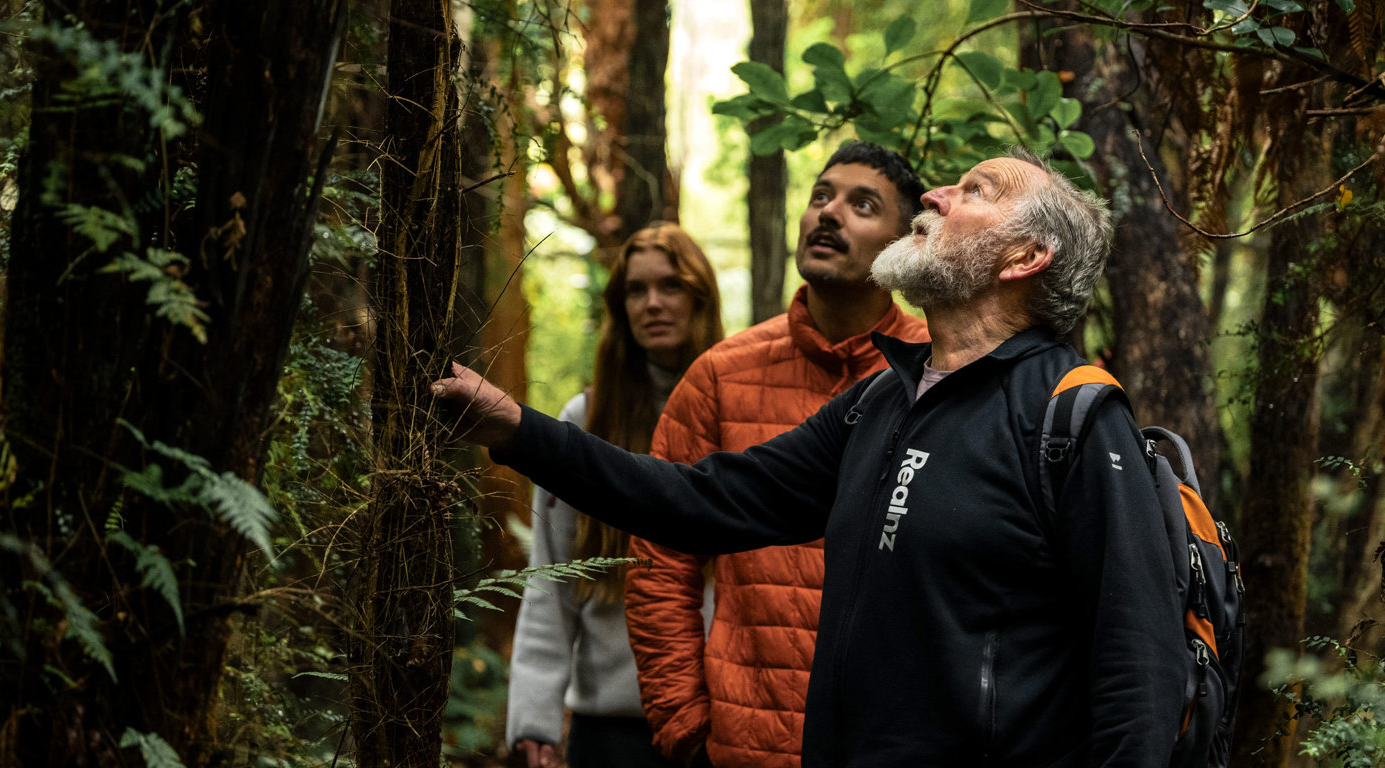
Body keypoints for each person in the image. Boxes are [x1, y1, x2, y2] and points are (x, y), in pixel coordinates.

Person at [441, 149, 1191, 768]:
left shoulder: (1074, 417)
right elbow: (695, 499)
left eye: (975, 191)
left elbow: (1140, 677)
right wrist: (515, 430)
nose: (935, 193)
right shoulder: (880, 402)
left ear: (1026, 256)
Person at [625, 141, 928, 768]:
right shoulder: (720, 376)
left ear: (905, 245)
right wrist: (684, 723)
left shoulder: (948, 373)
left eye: (862, 204)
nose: (829, 213)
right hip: (746, 746)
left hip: (904, 744)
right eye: (821, 196)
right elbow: (660, 558)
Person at [505, 222, 726, 768]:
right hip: (610, 728)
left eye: (671, 286)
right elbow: (549, 580)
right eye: (636, 288)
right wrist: (534, 720)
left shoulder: (740, 415)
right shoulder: (584, 422)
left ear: (701, 296)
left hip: (724, 719)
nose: (653, 303)